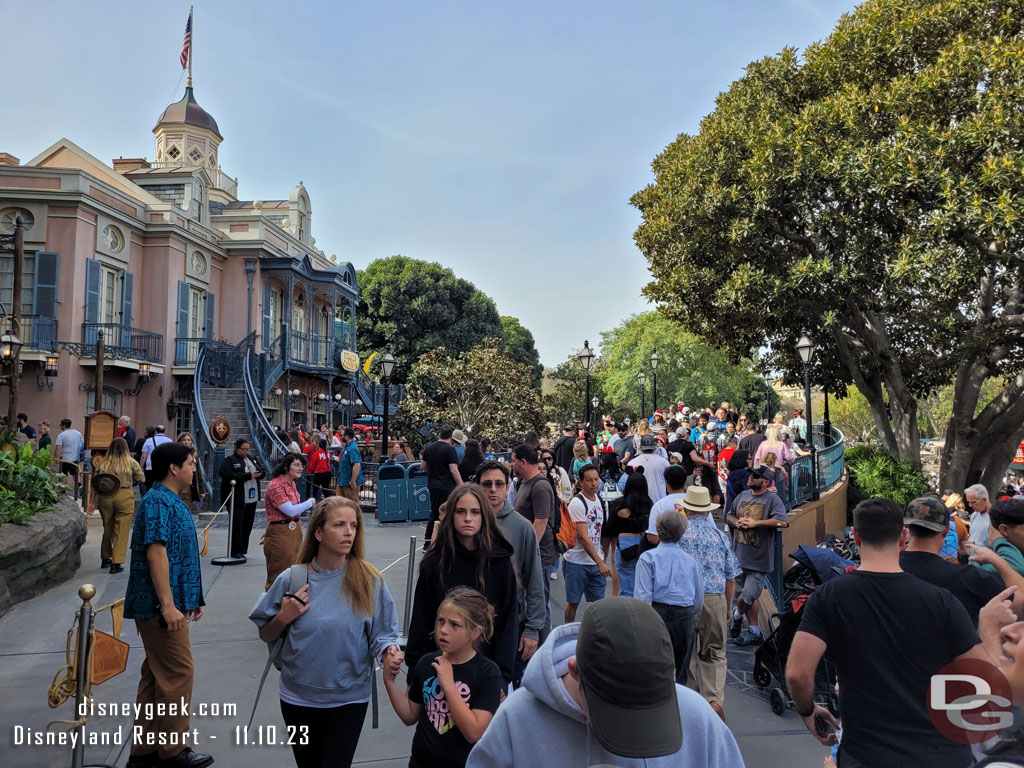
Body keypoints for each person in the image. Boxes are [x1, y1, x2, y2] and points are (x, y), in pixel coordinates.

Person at [785, 498, 993, 768]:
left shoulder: (830, 596)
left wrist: (808, 711)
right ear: (902, 536)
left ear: (855, 536)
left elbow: (797, 675)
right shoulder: (942, 601)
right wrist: (988, 626)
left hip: (868, 755)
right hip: (943, 754)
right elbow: (984, 678)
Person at [465, 597, 744, 768]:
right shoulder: (518, 718)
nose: (632, 732)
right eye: (614, 711)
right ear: (575, 671)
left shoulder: (698, 719)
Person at [249, 497, 401, 768]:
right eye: (339, 524)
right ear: (318, 532)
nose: (349, 532)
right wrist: (284, 616)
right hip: (298, 698)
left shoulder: (370, 580)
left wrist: (388, 652)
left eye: (353, 525)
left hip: (349, 698)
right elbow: (265, 633)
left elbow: (384, 635)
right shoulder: (292, 579)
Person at [123, 442, 212, 768]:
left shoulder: (169, 501)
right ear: (174, 468)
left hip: (167, 604)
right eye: (190, 463)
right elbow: (157, 554)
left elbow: (178, 556)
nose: (193, 468)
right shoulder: (158, 502)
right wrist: (169, 605)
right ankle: (174, 751)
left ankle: (144, 751)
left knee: (156, 674)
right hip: (158, 608)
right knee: (178, 672)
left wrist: (189, 600)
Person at [407, 484, 519, 686]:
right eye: (461, 511)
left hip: (487, 673)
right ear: (451, 515)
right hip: (440, 669)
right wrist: (415, 672)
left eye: (475, 512)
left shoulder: (500, 563)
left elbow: (508, 622)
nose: (468, 518)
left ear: (484, 516)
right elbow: (421, 621)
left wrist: (503, 676)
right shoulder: (434, 564)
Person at [384, 587, 503, 768]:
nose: (443, 630)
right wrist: (389, 681)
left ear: (475, 632)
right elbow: (409, 715)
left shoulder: (487, 673)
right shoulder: (427, 663)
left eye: (454, 625)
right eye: (441, 621)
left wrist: (448, 685)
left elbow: (473, 732)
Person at [671, 486, 740, 721]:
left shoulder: (679, 536)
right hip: (714, 598)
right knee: (715, 652)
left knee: (686, 654)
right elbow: (731, 577)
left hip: (684, 599)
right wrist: (728, 607)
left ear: (687, 509)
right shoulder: (720, 536)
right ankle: (714, 704)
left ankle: (691, 705)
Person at [477, 460, 546, 687]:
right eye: (487, 484)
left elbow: (534, 580)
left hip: (510, 626)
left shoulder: (522, 527)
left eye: (499, 484)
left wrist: (533, 629)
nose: (493, 489)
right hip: (470, 627)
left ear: (508, 488)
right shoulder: (467, 523)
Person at [900, 496, 1008, 625]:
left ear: (906, 528)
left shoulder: (886, 569)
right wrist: (995, 559)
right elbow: (1017, 600)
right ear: (946, 532)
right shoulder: (971, 577)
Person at [635, 509, 703, 686]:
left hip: (658, 612)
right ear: (682, 532)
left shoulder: (648, 558)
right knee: (681, 669)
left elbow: (642, 598)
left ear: (658, 530)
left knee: (655, 666)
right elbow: (698, 599)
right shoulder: (691, 562)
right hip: (684, 614)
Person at [726, 466, 789, 646]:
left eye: (755, 476)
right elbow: (729, 515)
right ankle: (754, 631)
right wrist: (736, 522)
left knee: (748, 595)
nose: (750, 478)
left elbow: (782, 522)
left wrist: (756, 523)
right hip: (739, 556)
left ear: (766, 482)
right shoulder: (742, 496)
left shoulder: (773, 500)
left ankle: (737, 616)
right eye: (751, 474)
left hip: (759, 559)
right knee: (748, 596)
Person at [511, 444, 560, 615]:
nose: (512, 464)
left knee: (540, 607)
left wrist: (527, 552)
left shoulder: (539, 486)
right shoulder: (525, 483)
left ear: (523, 462)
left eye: (513, 460)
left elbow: (541, 521)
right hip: (532, 554)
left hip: (540, 556)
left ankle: (544, 641)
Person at [563, 464, 611, 623]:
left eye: (596, 479)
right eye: (589, 480)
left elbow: (600, 529)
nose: (594, 484)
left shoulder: (598, 499)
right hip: (577, 562)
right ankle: (568, 631)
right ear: (581, 482)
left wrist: (602, 553)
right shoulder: (577, 503)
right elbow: (583, 538)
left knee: (599, 604)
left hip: (595, 561)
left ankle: (597, 634)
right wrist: (600, 562)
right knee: (573, 602)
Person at [89, 437, 144, 574]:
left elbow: (95, 483)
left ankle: (105, 558)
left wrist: (91, 502)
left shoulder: (103, 463)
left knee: (107, 527)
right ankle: (116, 562)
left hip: (105, 496)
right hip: (124, 495)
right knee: (121, 529)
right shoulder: (130, 462)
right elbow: (141, 478)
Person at [262, 453, 314, 590]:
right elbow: (290, 511)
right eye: (296, 465)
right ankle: (271, 607)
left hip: (294, 529)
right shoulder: (276, 485)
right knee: (279, 572)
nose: (300, 468)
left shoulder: (292, 484)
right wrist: (310, 502)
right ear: (286, 467)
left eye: (302, 466)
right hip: (281, 530)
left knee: (295, 569)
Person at [606, 472, 652, 597]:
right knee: (645, 586)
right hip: (645, 545)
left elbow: (610, 528)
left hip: (625, 545)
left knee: (626, 588)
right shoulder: (649, 505)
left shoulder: (619, 504)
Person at [218, 439, 264, 559]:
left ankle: (243, 548)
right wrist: (248, 476)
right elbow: (226, 475)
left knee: (248, 524)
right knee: (237, 523)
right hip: (237, 497)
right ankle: (235, 550)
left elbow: (259, 469)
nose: (245, 452)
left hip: (251, 497)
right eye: (243, 449)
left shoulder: (252, 458)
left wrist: (260, 473)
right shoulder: (230, 460)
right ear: (236, 448)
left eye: (247, 449)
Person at [421, 426, 463, 550]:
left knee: (434, 513)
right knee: (447, 513)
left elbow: (423, 466)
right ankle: (447, 543)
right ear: (451, 438)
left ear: (439, 434)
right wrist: (461, 485)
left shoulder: (429, 447)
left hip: (433, 484)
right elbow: (454, 470)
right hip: (447, 486)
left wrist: (433, 471)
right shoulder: (450, 450)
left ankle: (427, 543)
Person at [627, 434, 671, 503]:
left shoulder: (632, 463)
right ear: (654, 447)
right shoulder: (664, 462)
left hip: (639, 504)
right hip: (659, 501)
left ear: (640, 447)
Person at [175, 432, 207, 511]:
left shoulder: (194, 454)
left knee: (186, 510)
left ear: (192, 441)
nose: (186, 442)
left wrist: (201, 490)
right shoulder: (175, 453)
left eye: (189, 440)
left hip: (189, 487)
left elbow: (198, 473)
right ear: (179, 441)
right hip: (178, 486)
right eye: (184, 440)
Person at [723, 450, 751, 526]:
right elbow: (749, 492)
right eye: (749, 458)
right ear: (744, 460)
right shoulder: (744, 474)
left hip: (730, 509)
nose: (751, 460)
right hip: (740, 512)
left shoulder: (732, 472)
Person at [140, 425, 173, 492]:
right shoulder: (169, 441)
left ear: (156, 431)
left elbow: (144, 456)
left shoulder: (149, 441)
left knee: (149, 487)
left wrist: (141, 467)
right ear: (164, 431)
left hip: (150, 467)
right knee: (162, 487)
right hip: (164, 467)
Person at [336, 427, 363, 504]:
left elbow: (357, 464)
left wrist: (353, 481)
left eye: (342, 435)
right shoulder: (345, 446)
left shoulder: (353, 448)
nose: (340, 437)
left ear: (346, 436)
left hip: (349, 482)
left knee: (351, 504)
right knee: (338, 503)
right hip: (342, 480)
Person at [306, 439, 333, 503]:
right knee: (326, 490)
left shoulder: (316, 454)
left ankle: (314, 503)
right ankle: (328, 504)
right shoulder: (328, 453)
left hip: (319, 473)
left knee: (315, 490)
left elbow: (312, 465)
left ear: (319, 445)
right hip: (327, 473)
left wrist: (309, 471)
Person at [967, 483, 994, 547]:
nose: (970, 505)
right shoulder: (974, 515)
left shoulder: (994, 516)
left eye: (973, 502)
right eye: (969, 502)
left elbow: (994, 543)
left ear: (984, 500)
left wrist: (974, 544)